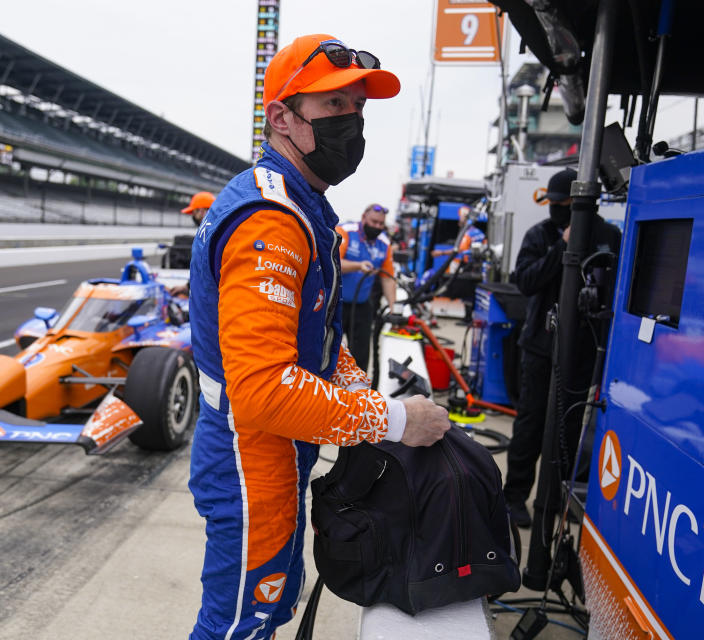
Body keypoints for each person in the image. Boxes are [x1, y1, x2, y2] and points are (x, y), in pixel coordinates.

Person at [187, 34, 451, 640]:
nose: (352, 122)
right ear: (282, 117)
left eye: (357, 108)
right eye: (334, 107)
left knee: (272, 608)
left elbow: (321, 342)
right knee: (238, 623)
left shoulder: (305, 207)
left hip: (280, 449)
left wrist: (361, 389)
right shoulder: (271, 221)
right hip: (250, 452)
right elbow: (262, 390)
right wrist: (393, 421)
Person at [502, 168, 621, 528]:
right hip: (541, 346)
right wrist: (562, 247)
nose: (555, 210)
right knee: (530, 424)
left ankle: (557, 498)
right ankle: (514, 498)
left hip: (584, 349)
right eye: (553, 205)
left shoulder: (610, 237)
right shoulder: (540, 235)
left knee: (568, 429)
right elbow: (525, 280)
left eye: (562, 205)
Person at [337, 203, 396, 372]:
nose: (377, 226)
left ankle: (360, 392)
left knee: (361, 355)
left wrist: (394, 309)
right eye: (374, 222)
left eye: (380, 224)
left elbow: (388, 279)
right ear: (363, 218)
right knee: (329, 349)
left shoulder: (384, 243)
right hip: (335, 304)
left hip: (362, 305)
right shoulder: (346, 231)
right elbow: (332, 262)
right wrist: (357, 265)